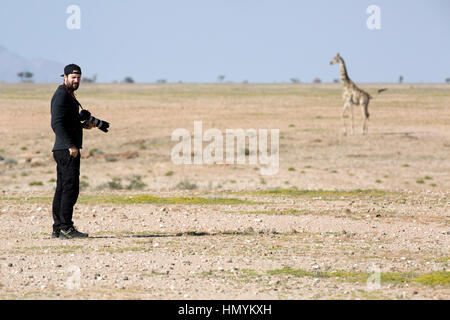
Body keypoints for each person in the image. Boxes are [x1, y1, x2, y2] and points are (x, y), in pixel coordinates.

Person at [50, 64, 95, 239]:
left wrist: (85, 125)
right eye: (73, 78)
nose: (76, 81)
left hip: (65, 148)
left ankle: (58, 228)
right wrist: (71, 145)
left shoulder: (68, 95)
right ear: (65, 77)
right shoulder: (61, 95)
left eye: (78, 78)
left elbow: (68, 122)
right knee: (70, 188)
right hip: (66, 150)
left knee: (62, 188)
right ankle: (66, 228)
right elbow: (57, 123)